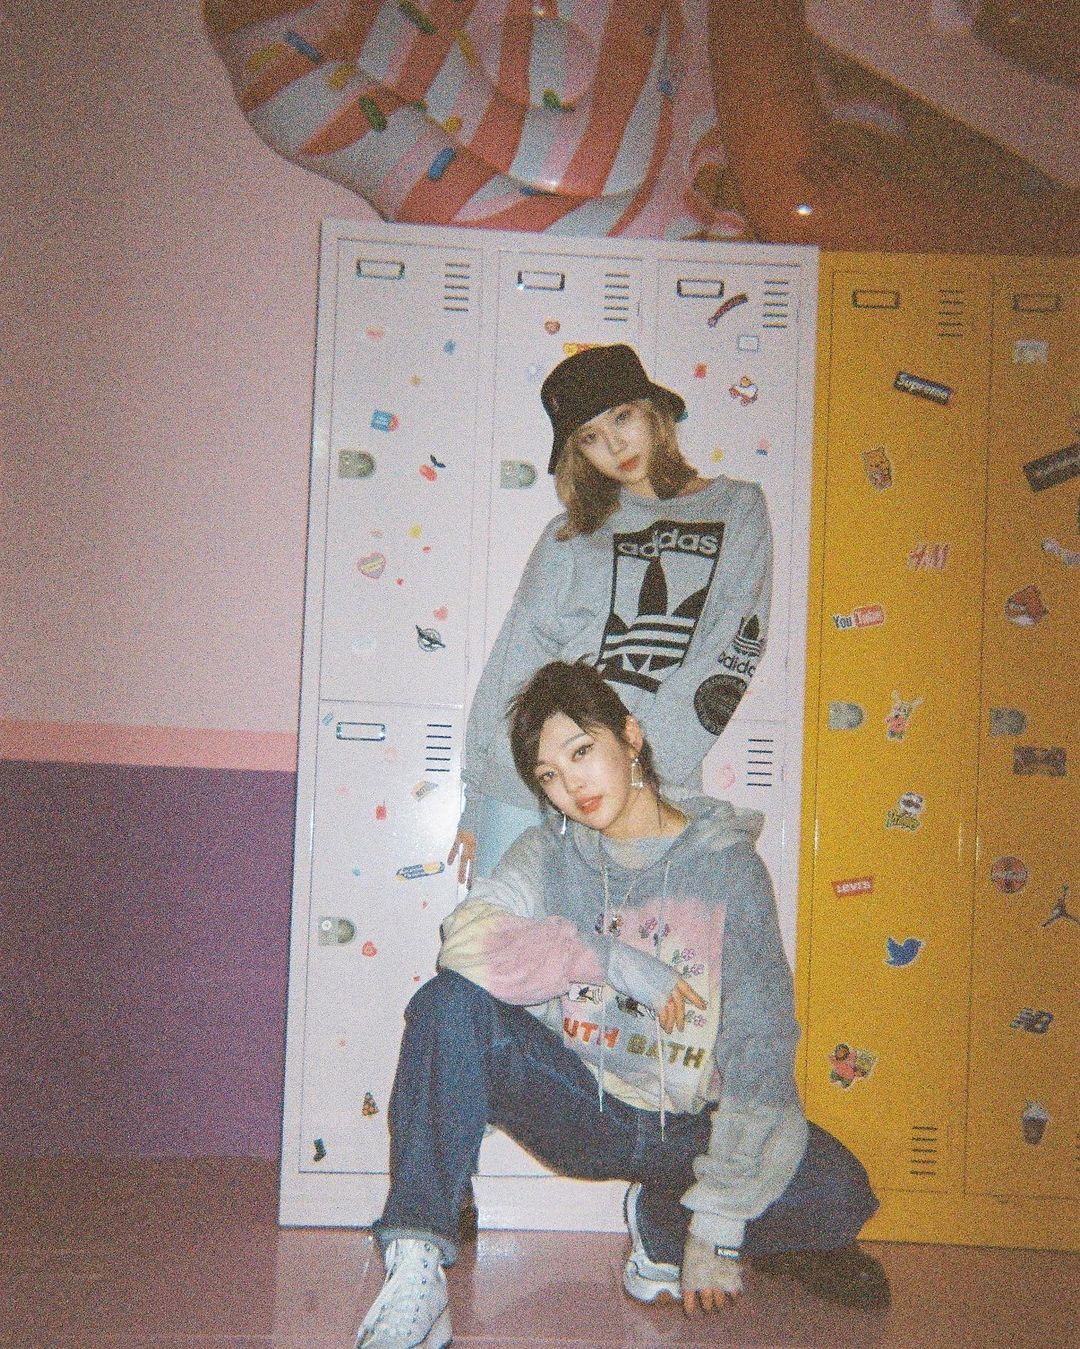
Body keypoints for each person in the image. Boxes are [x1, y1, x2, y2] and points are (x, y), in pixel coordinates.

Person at [356, 662, 888, 1348]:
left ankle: (665, 1220)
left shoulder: (727, 866)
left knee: (840, 1189)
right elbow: (465, 942)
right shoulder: (548, 851)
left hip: (688, 1126)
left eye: (582, 751)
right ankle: (416, 1265)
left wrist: (718, 1227)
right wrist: (611, 960)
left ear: (630, 737)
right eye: (549, 775)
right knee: (447, 1004)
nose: (571, 786)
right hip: (583, 1104)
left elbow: (759, 1047)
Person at [449, 343, 772, 883]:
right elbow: (517, 654)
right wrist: (481, 789)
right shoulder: (569, 534)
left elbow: (733, 646)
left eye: (621, 418)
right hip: (533, 774)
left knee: (629, 935)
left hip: (651, 777)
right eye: (590, 438)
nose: (615, 445)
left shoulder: (737, 508)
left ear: (653, 413)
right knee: (498, 931)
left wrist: (635, 765)